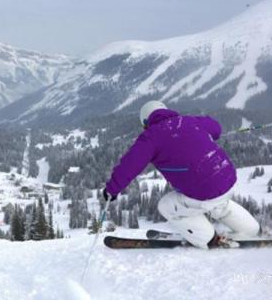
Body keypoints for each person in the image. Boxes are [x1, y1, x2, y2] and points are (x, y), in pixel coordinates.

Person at [103, 100, 260, 248]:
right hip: (227, 178)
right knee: (219, 203)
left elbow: (130, 165)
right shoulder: (189, 120)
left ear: (146, 123)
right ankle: (251, 229)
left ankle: (209, 239)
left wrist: (112, 190)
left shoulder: (150, 137)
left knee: (166, 206)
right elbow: (216, 128)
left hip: (202, 190)